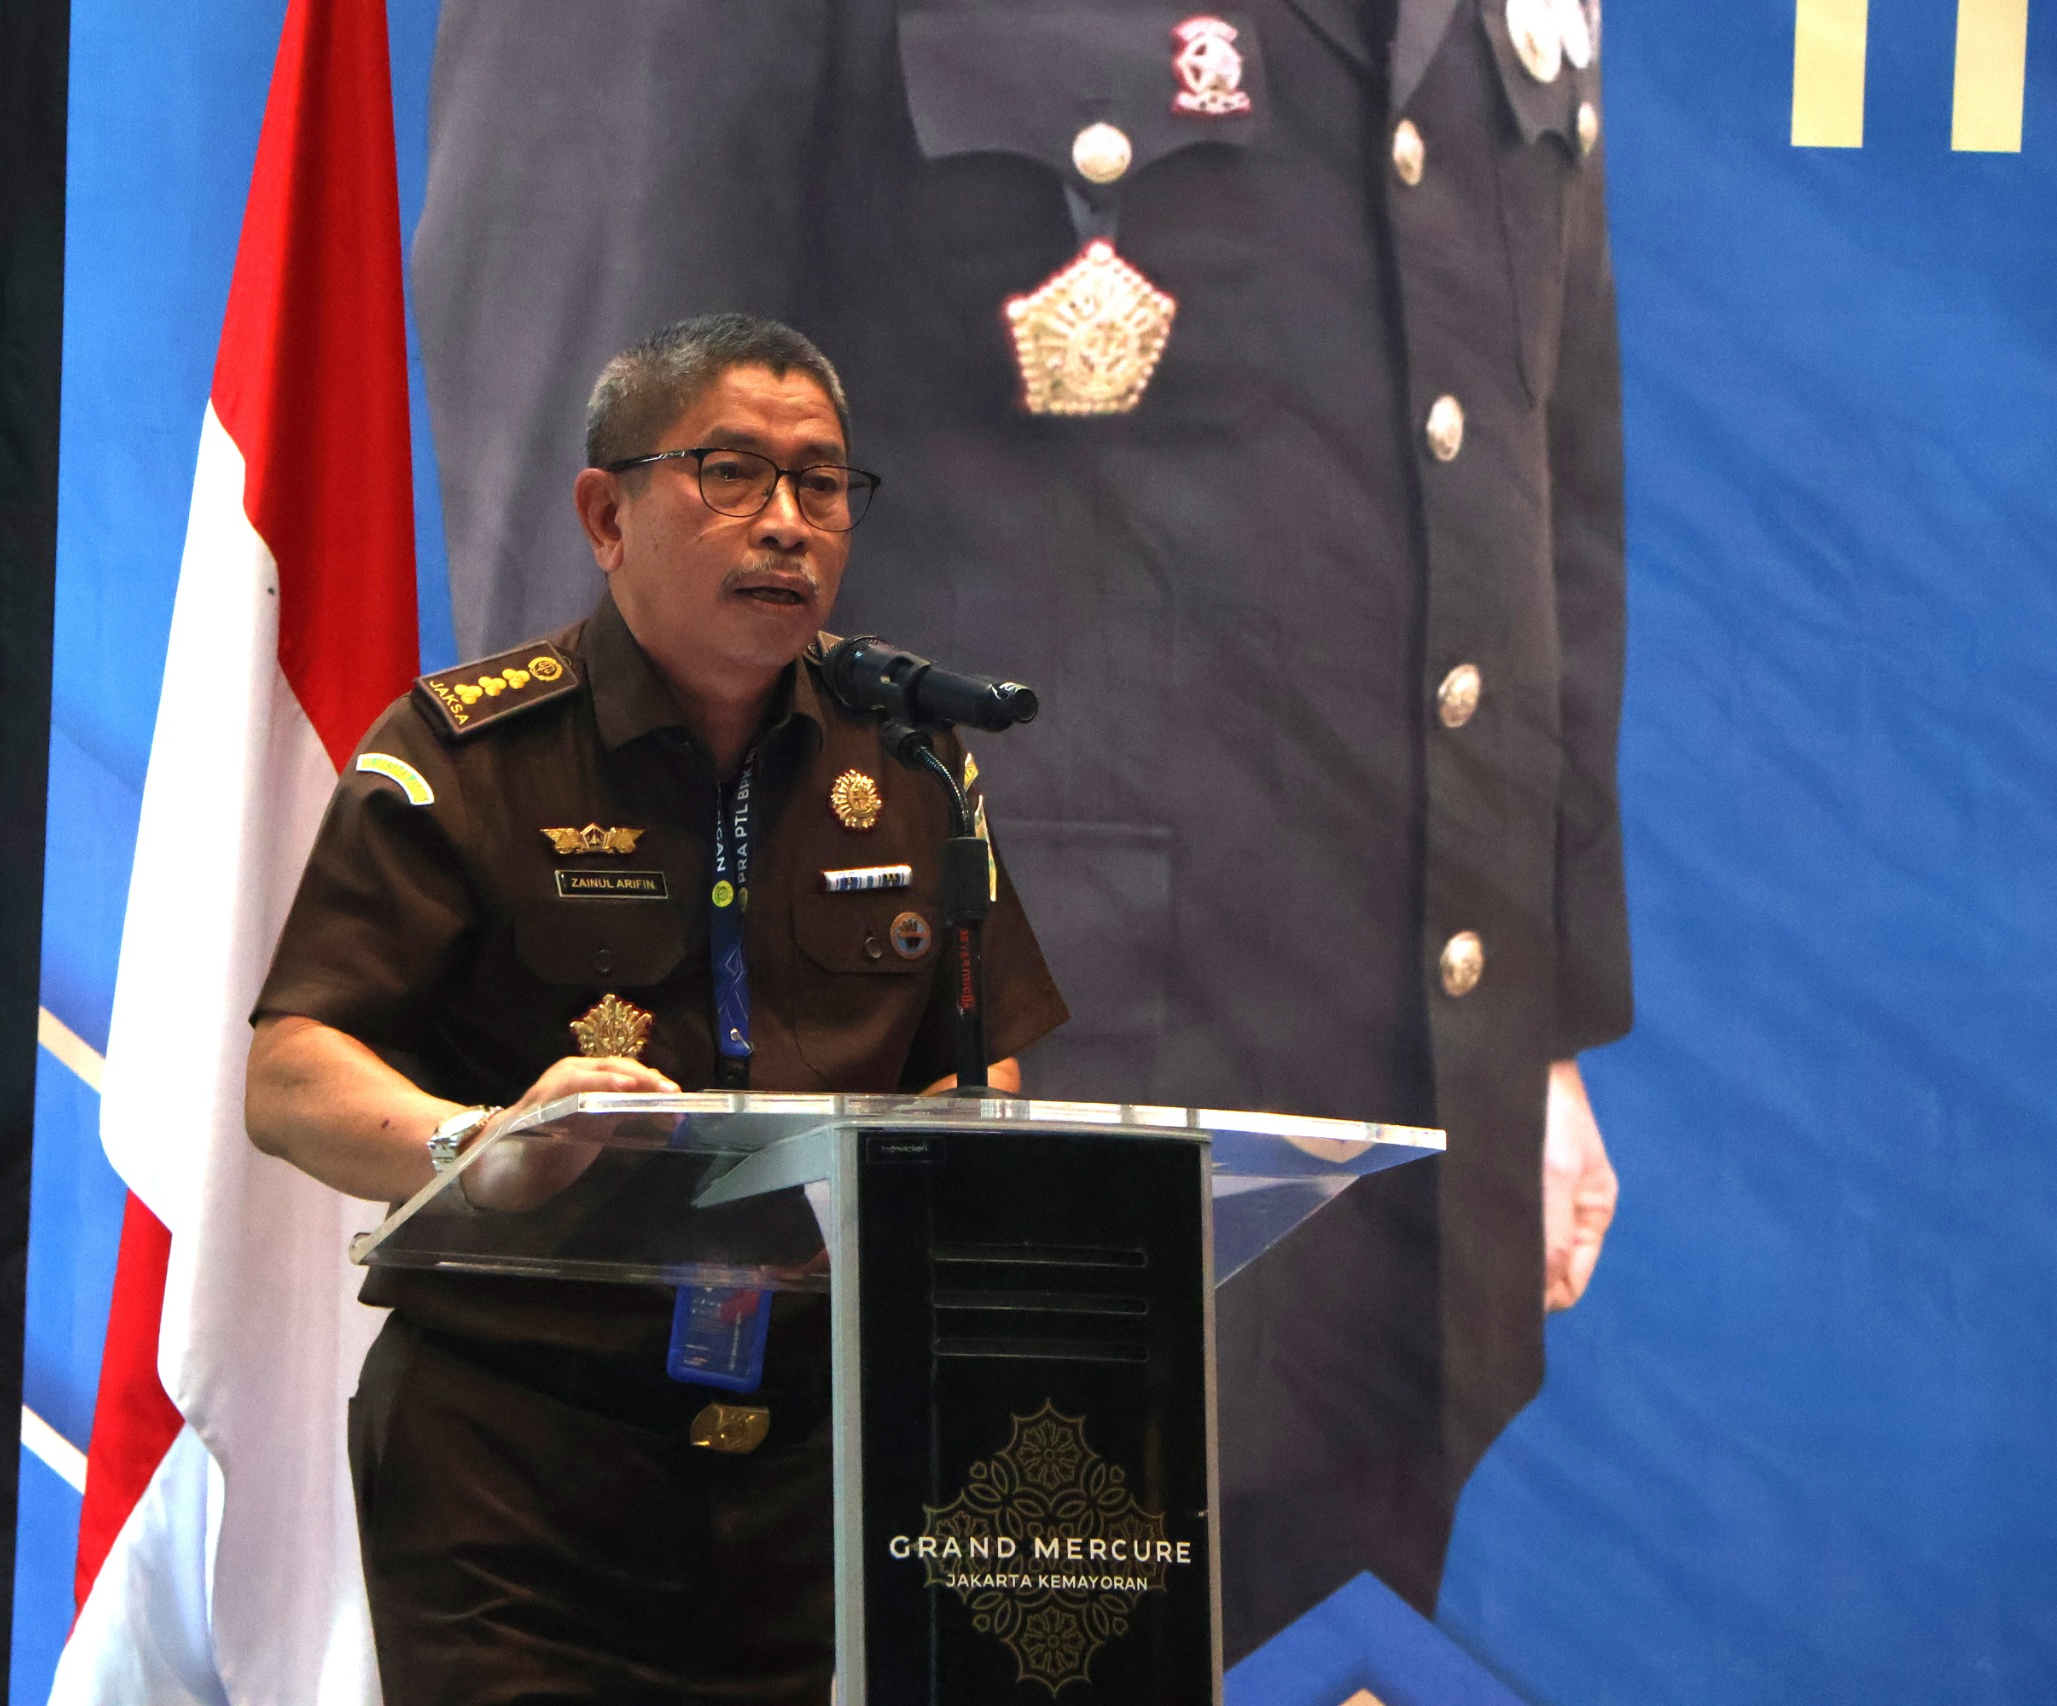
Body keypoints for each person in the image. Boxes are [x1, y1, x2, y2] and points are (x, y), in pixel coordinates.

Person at [409, 0, 1627, 1656]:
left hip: (1377, 1200)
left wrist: (1535, 1028)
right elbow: (615, 544)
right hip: (947, 1203)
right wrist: (664, 1176)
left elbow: (1538, 465)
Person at [243, 315, 1069, 1706]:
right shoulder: (469, 752)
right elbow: (292, 1073)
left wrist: (950, 1157)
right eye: (732, 472)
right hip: (521, 1463)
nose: (788, 522)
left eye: (823, 483)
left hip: (822, 1459)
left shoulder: (909, 763)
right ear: (605, 514)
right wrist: (477, 1144)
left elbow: (970, 1064)